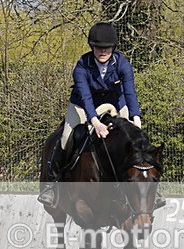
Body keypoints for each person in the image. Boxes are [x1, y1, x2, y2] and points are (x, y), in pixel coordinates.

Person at [39, 22, 161, 208]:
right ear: (92, 46)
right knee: (65, 138)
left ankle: (151, 187)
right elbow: (86, 97)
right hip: (83, 105)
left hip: (115, 103)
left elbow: (130, 93)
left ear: (113, 47)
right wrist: (95, 122)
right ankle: (52, 185)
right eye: (98, 47)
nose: (103, 51)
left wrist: (136, 120)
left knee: (137, 140)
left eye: (107, 47)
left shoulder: (122, 64)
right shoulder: (82, 66)